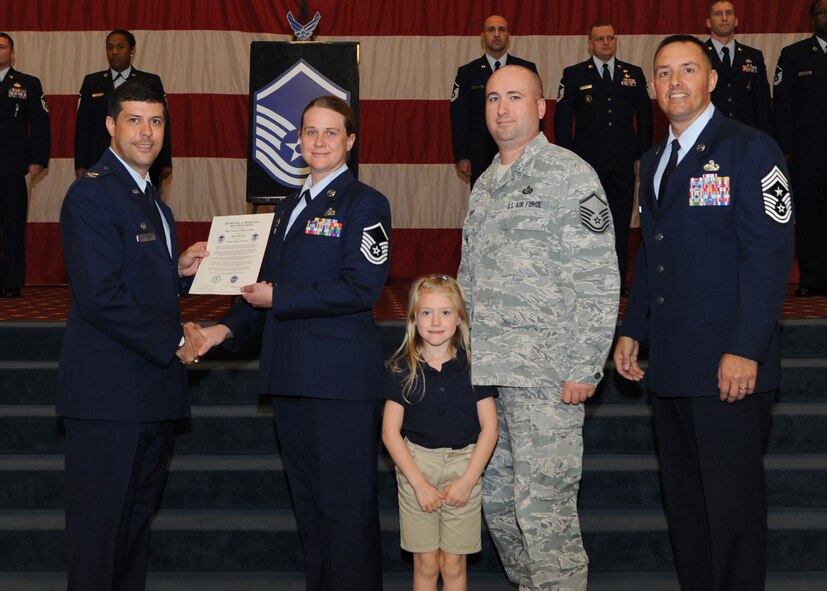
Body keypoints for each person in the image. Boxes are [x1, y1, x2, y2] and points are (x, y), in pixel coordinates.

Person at [613, 35, 793, 591]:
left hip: (727, 366)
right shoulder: (653, 159)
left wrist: (745, 350)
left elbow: (768, 258)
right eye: (663, 72)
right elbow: (653, 253)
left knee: (732, 513)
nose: (675, 82)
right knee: (688, 509)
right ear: (652, 86)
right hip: (671, 364)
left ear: (712, 80)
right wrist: (632, 329)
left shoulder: (750, 148)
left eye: (688, 69)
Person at [196, 95, 391, 591]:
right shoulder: (283, 209)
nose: (319, 141)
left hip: (340, 382)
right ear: (298, 139)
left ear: (349, 141)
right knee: (309, 508)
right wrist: (222, 331)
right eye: (310, 131)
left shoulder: (364, 203)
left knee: (345, 511)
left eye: (331, 132)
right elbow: (258, 291)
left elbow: (360, 287)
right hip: (290, 376)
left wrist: (278, 295)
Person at [458, 65, 619, 591]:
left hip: (549, 379)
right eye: (493, 99)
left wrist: (585, 365)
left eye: (515, 97)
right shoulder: (484, 184)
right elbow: (468, 281)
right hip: (489, 380)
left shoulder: (570, 175)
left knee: (544, 514)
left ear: (542, 106)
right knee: (501, 507)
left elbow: (597, 278)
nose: (502, 108)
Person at [58, 78, 209, 591]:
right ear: (110, 126)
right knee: (100, 538)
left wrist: (180, 271)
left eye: (157, 121)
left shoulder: (152, 201)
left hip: (150, 395)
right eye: (135, 120)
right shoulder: (92, 195)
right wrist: (174, 338)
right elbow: (102, 296)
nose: (147, 133)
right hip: (107, 398)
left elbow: (138, 279)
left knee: (131, 536)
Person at [382, 275, 498, 591]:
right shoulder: (400, 368)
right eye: (426, 313)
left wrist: (468, 480)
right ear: (413, 319)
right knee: (427, 563)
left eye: (445, 312)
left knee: (453, 564)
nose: (436, 321)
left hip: (465, 467)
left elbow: (490, 429)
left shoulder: (476, 366)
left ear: (460, 318)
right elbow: (390, 433)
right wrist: (418, 484)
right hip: (416, 467)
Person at [553, 20, 652, 293]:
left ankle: (616, 282)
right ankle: (587, 280)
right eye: (600, 39)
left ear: (616, 41)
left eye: (610, 38)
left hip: (623, 162)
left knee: (620, 223)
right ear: (590, 43)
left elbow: (644, 117)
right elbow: (562, 121)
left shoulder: (633, 73)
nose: (606, 43)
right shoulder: (573, 75)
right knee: (588, 223)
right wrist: (568, 159)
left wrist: (642, 154)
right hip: (587, 165)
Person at [773, 0, 827, 296]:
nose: (826, 17)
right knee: (809, 219)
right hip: (808, 154)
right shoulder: (793, 55)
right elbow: (782, 105)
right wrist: (784, 148)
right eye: (821, 12)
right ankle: (812, 278)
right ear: (811, 20)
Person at [75, 29, 172, 189]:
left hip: (142, 157)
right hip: (100, 159)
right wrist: (80, 162)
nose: (114, 52)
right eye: (110, 47)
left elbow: (162, 122)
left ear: (132, 50)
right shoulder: (92, 82)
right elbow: (83, 125)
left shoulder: (150, 81)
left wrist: (165, 161)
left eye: (120, 47)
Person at [450, 15, 538, 188]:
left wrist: (535, 151)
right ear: (482, 37)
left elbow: (535, 114)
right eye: (491, 30)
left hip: (520, 152)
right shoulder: (467, 73)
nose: (496, 34)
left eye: (501, 30)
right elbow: (459, 117)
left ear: (508, 36)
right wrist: (462, 155)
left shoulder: (526, 69)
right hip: (479, 155)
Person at [0, 32, 50, 299]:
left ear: (12, 53)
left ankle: (10, 281)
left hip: (12, 167)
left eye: (1, 47)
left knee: (13, 225)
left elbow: (40, 124)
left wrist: (38, 160)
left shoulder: (27, 83)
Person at [703, 1, 772, 133]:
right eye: (718, 14)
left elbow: (762, 102)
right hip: (710, 133)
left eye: (729, 13)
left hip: (746, 133)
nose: (724, 18)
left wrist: (765, 137)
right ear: (708, 22)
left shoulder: (754, 56)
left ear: (736, 21)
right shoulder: (698, 55)